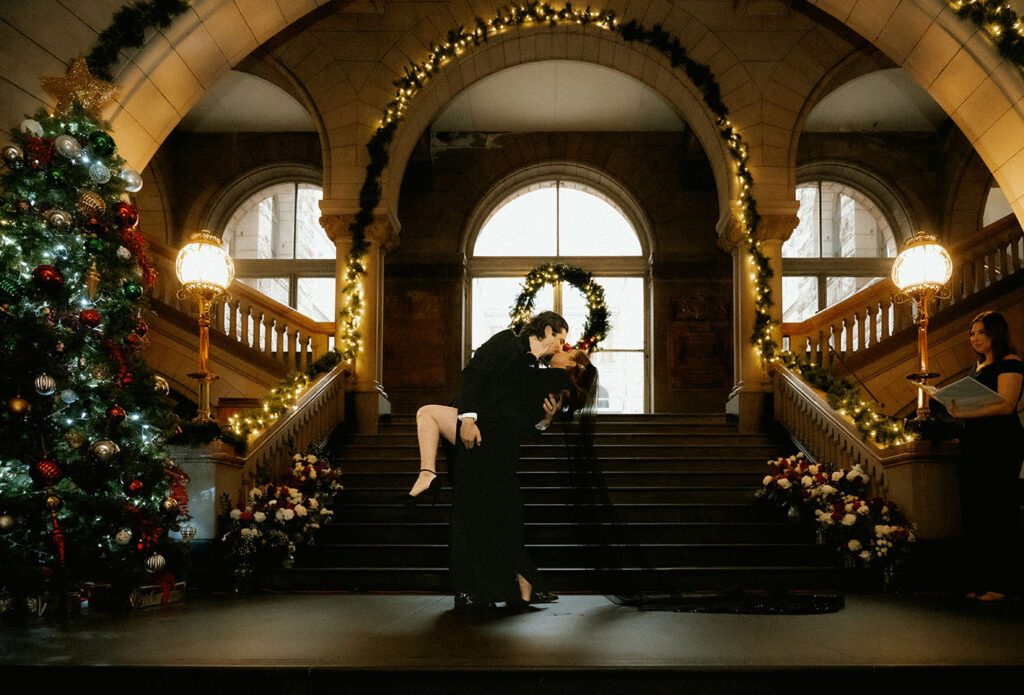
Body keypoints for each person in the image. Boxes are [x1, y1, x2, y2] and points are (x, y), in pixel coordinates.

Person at [948, 311, 1024, 603]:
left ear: (996, 333)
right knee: (975, 511)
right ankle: (979, 581)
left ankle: (1003, 584)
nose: (975, 338)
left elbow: (1006, 405)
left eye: (980, 332)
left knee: (999, 511)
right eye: (971, 334)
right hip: (975, 443)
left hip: (1001, 443)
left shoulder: (1011, 363)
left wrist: (963, 411)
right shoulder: (978, 367)